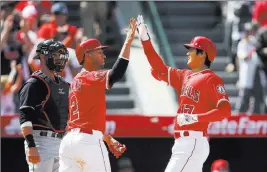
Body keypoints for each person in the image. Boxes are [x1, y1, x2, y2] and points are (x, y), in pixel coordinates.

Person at [136, 15, 232, 172]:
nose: (188, 53)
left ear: (203, 54)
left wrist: (195, 118)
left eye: (192, 50)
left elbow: (225, 111)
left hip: (193, 140)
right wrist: (145, 39)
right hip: (183, 142)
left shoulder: (212, 79)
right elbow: (159, 68)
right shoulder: (184, 75)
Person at [58, 18, 136, 172]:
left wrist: (106, 137)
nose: (104, 55)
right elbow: (116, 73)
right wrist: (128, 43)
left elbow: (84, 121)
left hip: (69, 143)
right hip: (88, 142)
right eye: (99, 52)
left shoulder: (75, 81)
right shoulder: (90, 77)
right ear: (87, 55)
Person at [19, 39, 69, 172]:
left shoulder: (64, 84)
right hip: (41, 142)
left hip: (62, 142)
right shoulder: (34, 84)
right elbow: (25, 117)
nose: (59, 59)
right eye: (56, 55)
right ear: (42, 56)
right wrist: (31, 146)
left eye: (61, 55)